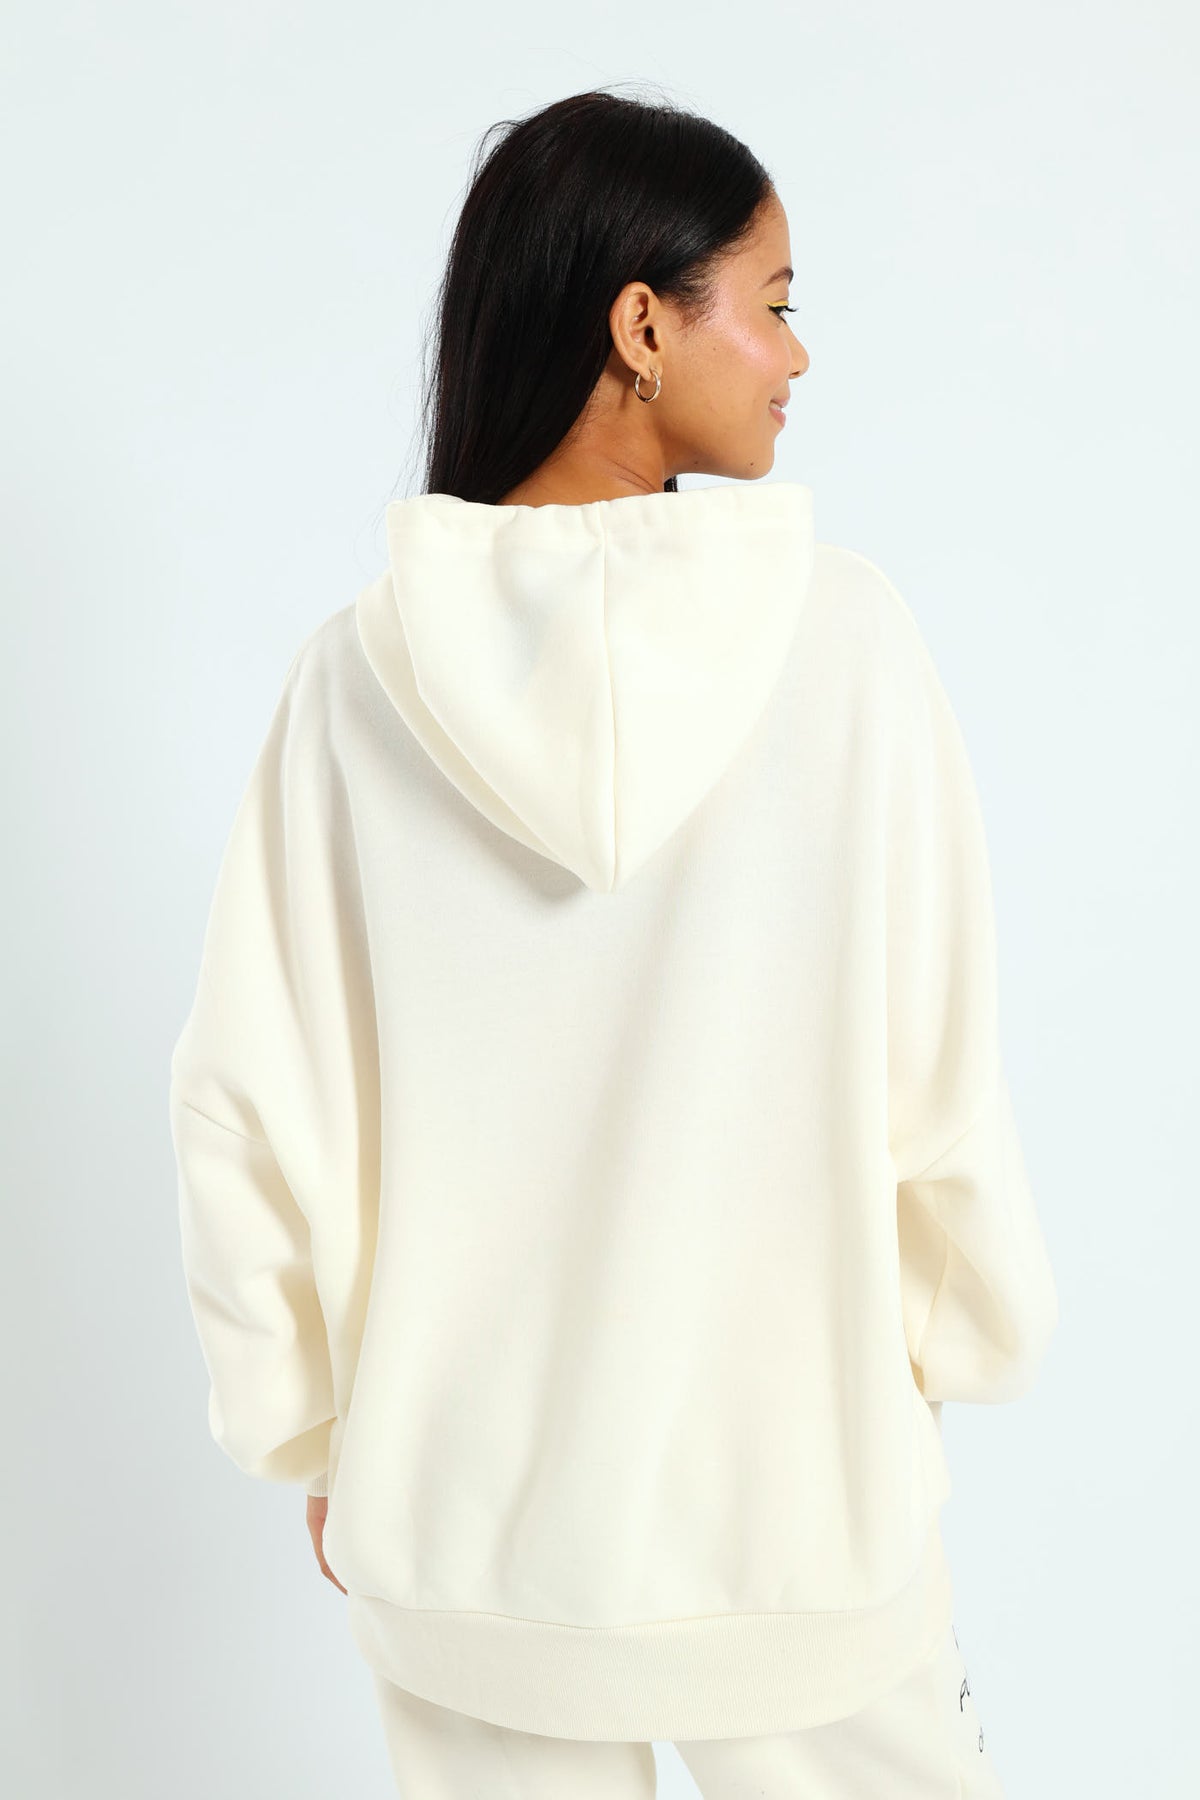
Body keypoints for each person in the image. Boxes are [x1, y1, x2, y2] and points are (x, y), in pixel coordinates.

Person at [168, 86, 1058, 1797]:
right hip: (802, 1519)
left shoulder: (355, 684)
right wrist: (946, 1358)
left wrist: (312, 1424)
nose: (798, 355)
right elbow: (935, 1076)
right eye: (775, 302)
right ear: (643, 326)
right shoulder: (847, 643)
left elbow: (247, 1104)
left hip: (467, 1543)